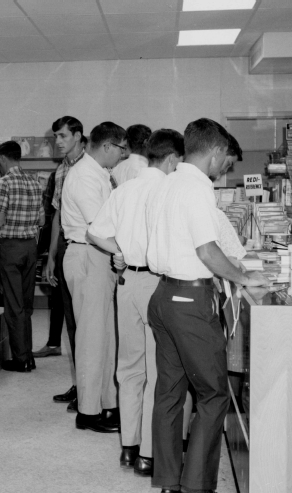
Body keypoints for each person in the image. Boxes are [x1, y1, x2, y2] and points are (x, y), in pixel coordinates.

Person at [145, 118, 269, 493]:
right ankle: (196, 490)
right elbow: (207, 252)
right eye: (224, 161)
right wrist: (243, 276)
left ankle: (168, 484)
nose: (223, 169)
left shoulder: (166, 183)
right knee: (213, 394)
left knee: (168, 393)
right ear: (215, 153)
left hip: (163, 295)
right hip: (190, 301)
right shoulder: (197, 189)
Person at [87, 128, 184, 475]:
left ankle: (128, 447)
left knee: (128, 368)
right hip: (158, 283)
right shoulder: (171, 190)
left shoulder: (124, 189)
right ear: (172, 158)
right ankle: (148, 453)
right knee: (160, 370)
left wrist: (121, 251)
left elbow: (94, 233)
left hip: (126, 281)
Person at [62, 121, 127, 433]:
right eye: (121, 148)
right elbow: (96, 229)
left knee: (106, 335)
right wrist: (126, 253)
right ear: (108, 146)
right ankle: (88, 413)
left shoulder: (98, 172)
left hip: (97, 255)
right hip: (88, 254)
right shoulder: (85, 176)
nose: (123, 155)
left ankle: (107, 404)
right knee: (91, 338)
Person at [0, 141, 44, 372]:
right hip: (30, 247)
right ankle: (28, 355)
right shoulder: (35, 182)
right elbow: (42, 221)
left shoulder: (3, 182)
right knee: (25, 305)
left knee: (13, 304)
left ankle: (21, 360)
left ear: (1, 158)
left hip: (11, 248)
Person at [40, 116, 85, 410]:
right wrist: (52, 256)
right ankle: (81, 382)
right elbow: (57, 215)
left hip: (86, 248)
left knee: (86, 323)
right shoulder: (61, 170)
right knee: (72, 322)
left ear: (78, 136)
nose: (58, 142)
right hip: (66, 245)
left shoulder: (91, 168)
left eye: (63, 136)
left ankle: (89, 387)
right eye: (56, 136)